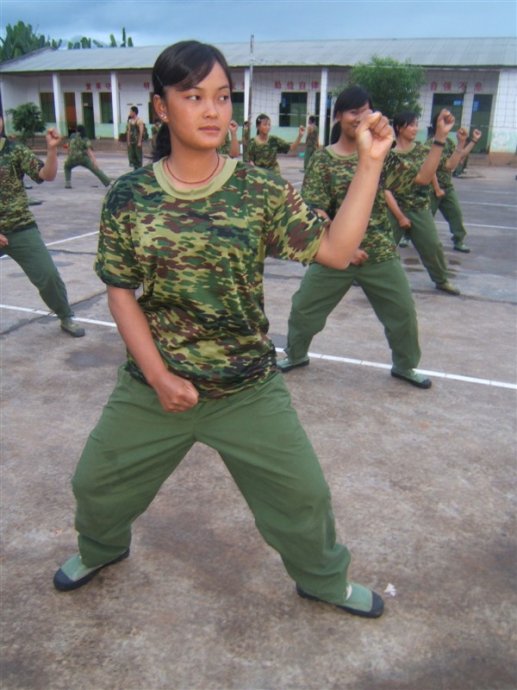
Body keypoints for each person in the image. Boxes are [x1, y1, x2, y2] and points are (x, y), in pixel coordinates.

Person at [53, 40, 394, 618]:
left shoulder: (258, 189)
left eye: (222, 97)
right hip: (153, 388)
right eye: (193, 96)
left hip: (247, 387)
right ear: (161, 107)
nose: (212, 111)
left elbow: (338, 249)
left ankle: (322, 579)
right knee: (96, 487)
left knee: (303, 497)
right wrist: (159, 377)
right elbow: (120, 290)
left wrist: (370, 161)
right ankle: (102, 549)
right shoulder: (129, 197)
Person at [278, 86, 431, 389]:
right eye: (353, 112)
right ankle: (296, 354)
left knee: (402, 314)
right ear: (338, 116)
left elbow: (421, 179)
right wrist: (345, 247)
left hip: (379, 252)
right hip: (335, 253)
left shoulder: (381, 154)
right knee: (304, 309)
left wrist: (438, 138)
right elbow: (316, 209)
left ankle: (405, 366)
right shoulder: (323, 160)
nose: (360, 118)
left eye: (366, 111)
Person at [0, 117, 85, 337]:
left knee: (48, 276)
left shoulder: (14, 150)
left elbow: (46, 175)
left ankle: (65, 316)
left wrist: (51, 150)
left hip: (19, 227)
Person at [384, 111, 460, 295]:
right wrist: (401, 217)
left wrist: (451, 140)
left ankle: (441, 279)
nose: (415, 128)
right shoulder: (388, 154)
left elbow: (445, 168)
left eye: (416, 124)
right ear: (399, 128)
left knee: (432, 246)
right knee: (381, 247)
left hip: (419, 208)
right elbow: (385, 189)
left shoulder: (422, 150)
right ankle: (360, 276)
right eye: (411, 125)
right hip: (394, 209)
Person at [427, 117, 482, 253]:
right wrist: (437, 188)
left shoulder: (449, 143)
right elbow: (431, 169)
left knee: (456, 213)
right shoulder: (430, 144)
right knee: (424, 217)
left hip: (446, 186)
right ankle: (407, 236)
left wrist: (472, 141)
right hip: (430, 187)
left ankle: (458, 239)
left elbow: (459, 156)